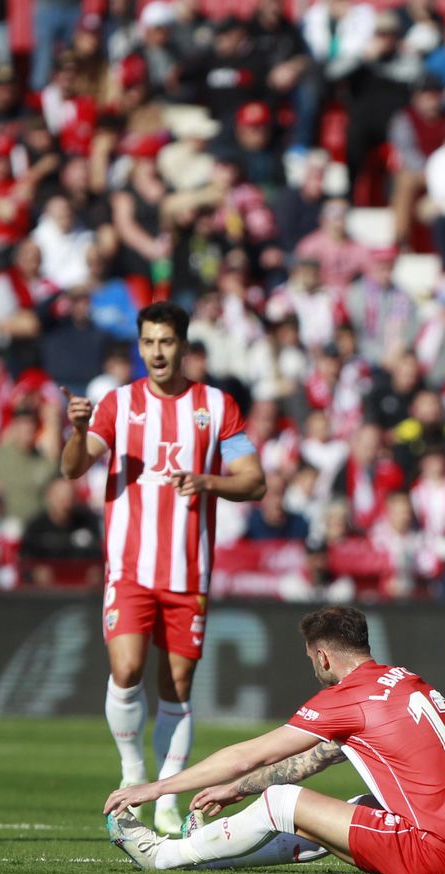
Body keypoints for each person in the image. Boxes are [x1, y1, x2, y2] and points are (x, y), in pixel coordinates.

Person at [103, 606, 445, 874]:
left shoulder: (349, 697)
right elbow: (318, 757)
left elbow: (248, 755)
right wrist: (237, 789)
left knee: (283, 801)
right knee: (359, 807)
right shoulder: (403, 680)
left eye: (311, 659)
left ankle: (163, 856)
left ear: (323, 657)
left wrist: (156, 787)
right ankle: (203, 854)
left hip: (437, 852)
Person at [63, 302, 266, 837]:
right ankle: (133, 773)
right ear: (140, 345)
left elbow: (255, 480)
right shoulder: (117, 404)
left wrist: (207, 482)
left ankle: (169, 799)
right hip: (129, 567)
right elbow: (74, 467)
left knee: (176, 685)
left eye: (167, 342)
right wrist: (77, 432)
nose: (157, 352)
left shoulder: (217, 406)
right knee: (126, 670)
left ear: (183, 345)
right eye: (149, 342)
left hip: (188, 572)